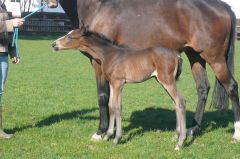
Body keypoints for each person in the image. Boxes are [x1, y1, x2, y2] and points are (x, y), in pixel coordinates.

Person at [0, 0, 25, 138]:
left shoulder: (2, 6)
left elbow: (6, 34)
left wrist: (13, 52)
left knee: (0, 92)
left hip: (3, 55)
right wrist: (11, 24)